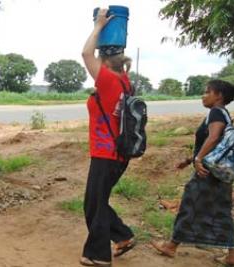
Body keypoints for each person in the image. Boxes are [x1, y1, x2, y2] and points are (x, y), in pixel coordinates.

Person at [151, 79, 234, 266]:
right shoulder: (224, 114)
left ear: (219, 96)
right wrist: (189, 160)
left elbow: (214, 138)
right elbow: (215, 145)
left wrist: (198, 160)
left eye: (207, 92)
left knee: (189, 205)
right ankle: (233, 255)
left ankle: (171, 246)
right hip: (219, 174)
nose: (203, 95)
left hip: (208, 174)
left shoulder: (216, 113)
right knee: (220, 211)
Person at [79, 8, 135, 267]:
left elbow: (85, 53)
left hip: (106, 154)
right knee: (97, 201)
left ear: (103, 62)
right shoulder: (125, 81)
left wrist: (99, 25)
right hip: (118, 154)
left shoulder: (110, 81)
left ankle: (98, 255)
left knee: (94, 205)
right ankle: (123, 236)